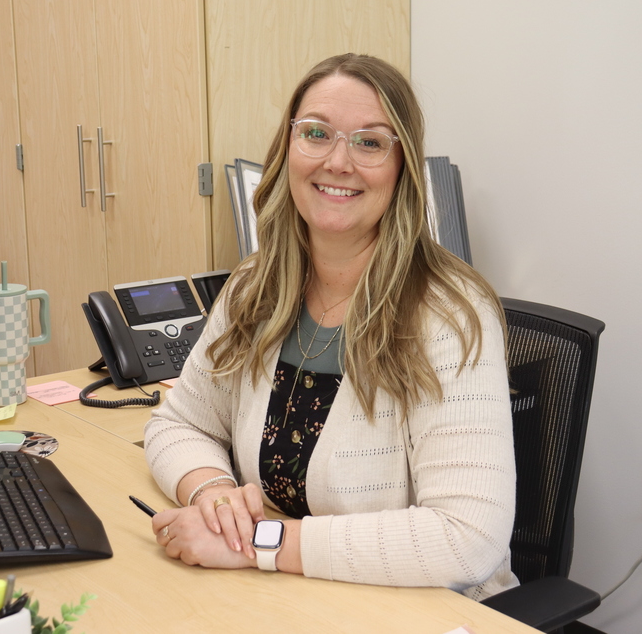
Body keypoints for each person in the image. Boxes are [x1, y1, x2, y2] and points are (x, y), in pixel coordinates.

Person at [143, 53, 518, 600]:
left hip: (423, 609)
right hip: (294, 598)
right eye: (316, 133)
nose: (338, 161)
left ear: (402, 167)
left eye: (369, 142)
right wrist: (216, 496)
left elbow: (467, 538)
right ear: (288, 149)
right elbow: (178, 424)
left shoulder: (452, 316)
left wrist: (260, 544)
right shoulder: (255, 287)